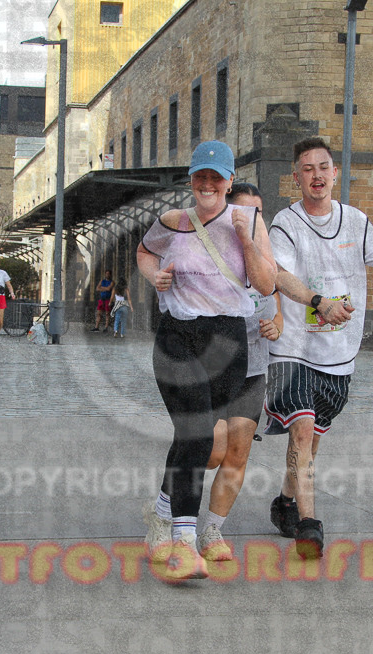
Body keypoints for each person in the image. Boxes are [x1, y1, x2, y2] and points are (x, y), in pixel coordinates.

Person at [137, 140, 277, 579]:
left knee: (194, 440)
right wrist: (153, 274)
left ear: (230, 181)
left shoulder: (250, 221)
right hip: (178, 336)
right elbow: (144, 251)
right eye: (201, 177)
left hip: (229, 340)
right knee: (196, 432)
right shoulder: (173, 222)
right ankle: (182, 542)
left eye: (217, 178)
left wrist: (245, 240)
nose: (208, 184)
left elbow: (267, 284)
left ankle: (160, 517)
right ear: (191, 180)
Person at [264, 137, 373, 559]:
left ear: (335, 173)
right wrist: (318, 303)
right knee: (303, 429)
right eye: (307, 169)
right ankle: (309, 525)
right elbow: (278, 276)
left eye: (323, 167)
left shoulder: (355, 220)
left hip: (338, 353)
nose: (317, 176)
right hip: (293, 349)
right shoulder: (284, 224)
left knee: (310, 440)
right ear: (296, 178)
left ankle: (286, 502)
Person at [196, 182, 284, 561]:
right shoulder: (208, 254)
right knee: (212, 451)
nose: (252, 220)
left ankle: (212, 530)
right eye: (244, 213)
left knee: (238, 452)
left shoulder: (265, 256)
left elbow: (276, 303)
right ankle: (171, 507)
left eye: (258, 213)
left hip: (253, 370)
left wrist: (276, 325)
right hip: (213, 368)